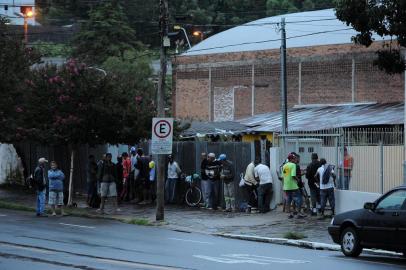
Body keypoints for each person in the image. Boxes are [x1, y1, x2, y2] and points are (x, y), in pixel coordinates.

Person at [282, 153, 304, 219]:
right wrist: (298, 180)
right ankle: (298, 214)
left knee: (289, 200)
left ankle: (290, 214)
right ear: (291, 159)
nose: (295, 160)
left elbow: (284, 176)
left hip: (286, 186)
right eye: (294, 158)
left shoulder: (284, 166)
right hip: (293, 186)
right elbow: (293, 175)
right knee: (299, 199)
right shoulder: (293, 165)